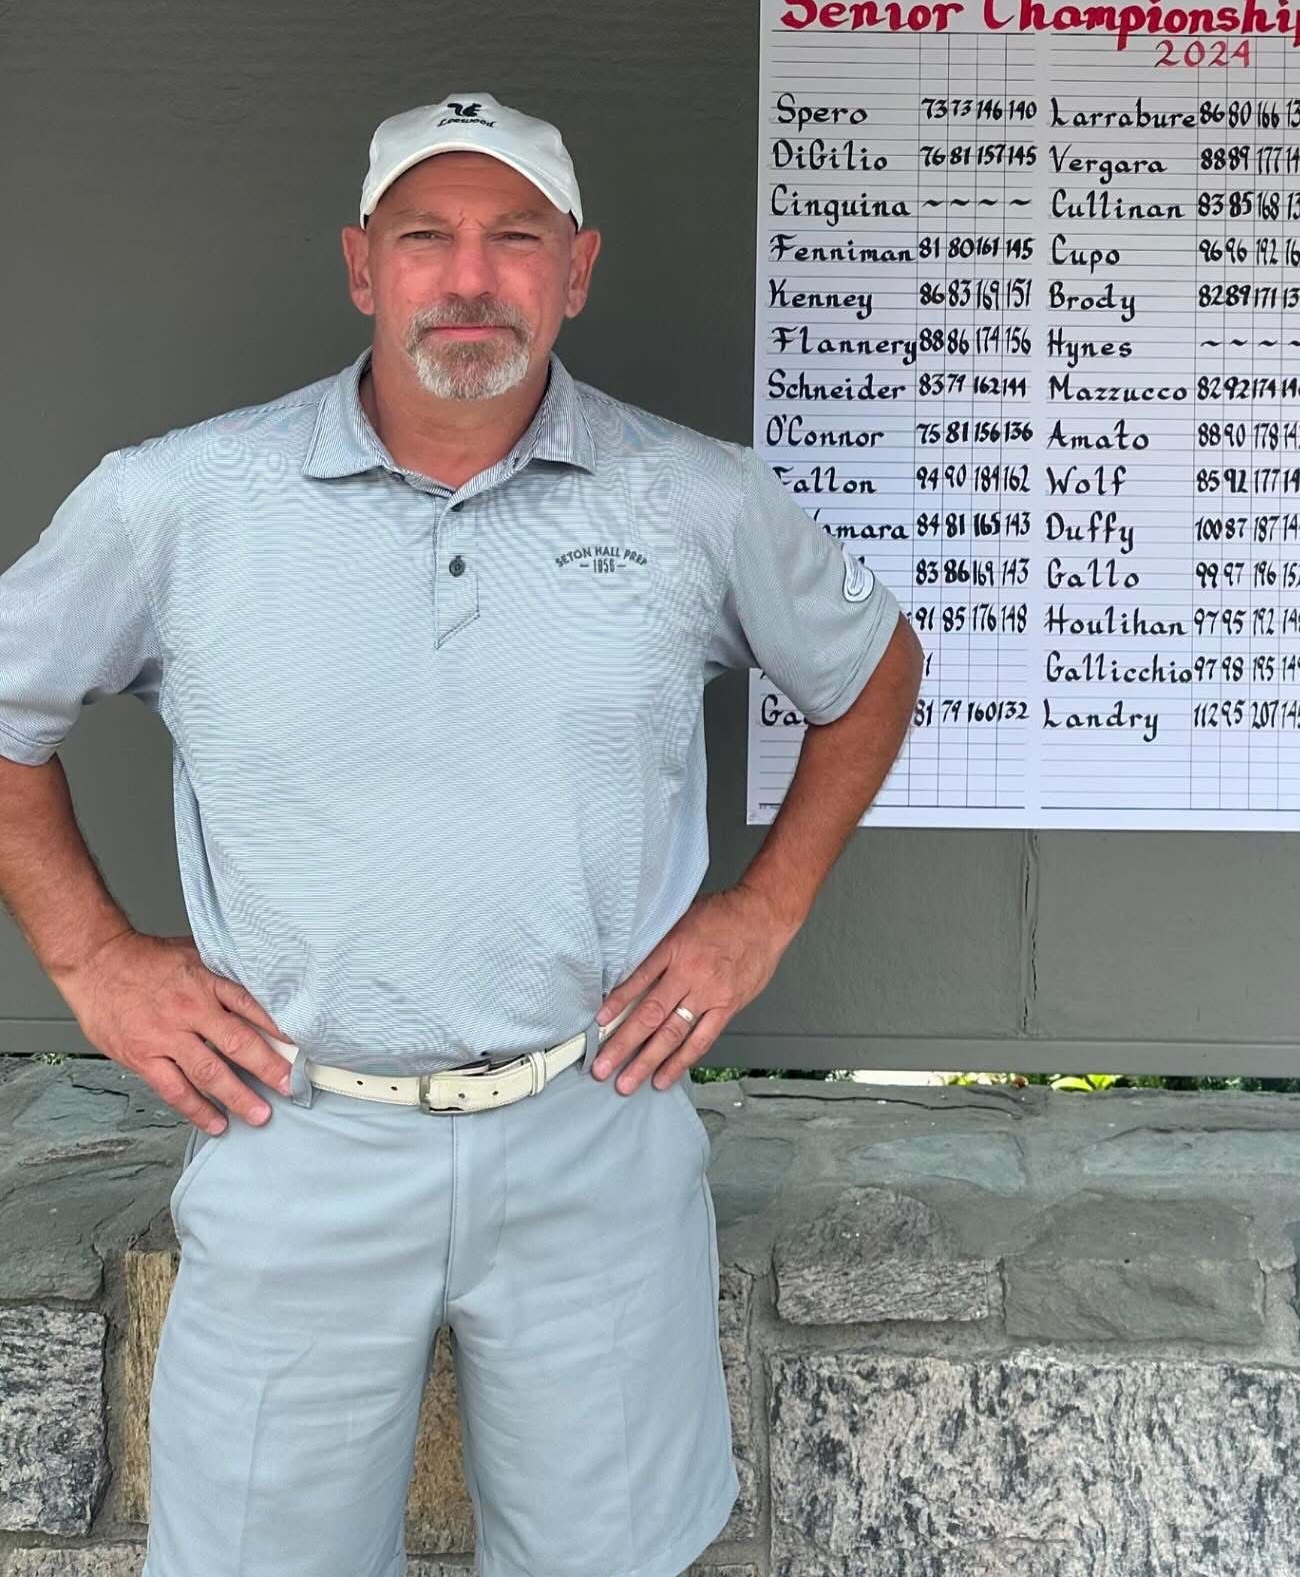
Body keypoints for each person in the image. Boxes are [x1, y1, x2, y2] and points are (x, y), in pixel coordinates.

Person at [0, 90, 922, 1576]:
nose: (471, 278)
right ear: (363, 267)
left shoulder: (693, 499)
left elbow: (873, 674)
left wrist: (767, 909)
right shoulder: (178, 502)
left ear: (579, 269)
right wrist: (92, 955)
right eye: (427, 237)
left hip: (595, 1131)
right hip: (293, 1130)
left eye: (517, 238)